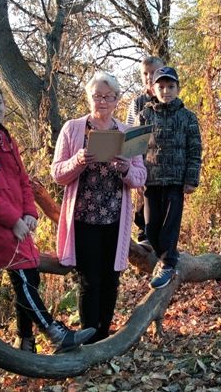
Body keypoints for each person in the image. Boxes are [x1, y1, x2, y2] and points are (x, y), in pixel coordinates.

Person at [0, 79, 95, 354]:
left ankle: (25, 341)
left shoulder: (3, 137)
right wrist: (13, 220)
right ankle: (56, 334)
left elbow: (21, 179)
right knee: (24, 281)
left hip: (19, 223)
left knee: (29, 279)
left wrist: (29, 212)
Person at [52, 72, 147, 344]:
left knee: (111, 280)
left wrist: (127, 168)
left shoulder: (127, 133)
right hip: (82, 219)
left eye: (108, 96)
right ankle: (89, 338)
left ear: (117, 99)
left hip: (115, 219)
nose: (102, 101)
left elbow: (141, 177)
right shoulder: (73, 128)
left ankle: (104, 336)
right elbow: (57, 174)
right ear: (88, 97)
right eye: (97, 96)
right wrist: (79, 160)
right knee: (89, 281)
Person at [139, 66, 202, 289]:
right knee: (150, 228)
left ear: (177, 88)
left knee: (169, 227)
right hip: (151, 179)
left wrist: (191, 178)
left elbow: (194, 149)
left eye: (170, 86)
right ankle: (164, 258)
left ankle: (168, 263)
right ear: (153, 89)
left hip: (176, 181)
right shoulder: (145, 115)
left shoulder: (187, 117)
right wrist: (136, 175)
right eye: (161, 87)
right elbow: (136, 147)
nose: (166, 91)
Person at [126, 56, 164, 246]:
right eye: (145, 74)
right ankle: (145, 238)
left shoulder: (170, 97)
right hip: (143, 163)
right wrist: (134, 167)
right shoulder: (138, 103)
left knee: (165, 205)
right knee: (145, 202)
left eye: (154, 73)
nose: (149, 77)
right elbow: (130, 135)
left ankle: (164, 241)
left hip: (165, 164)